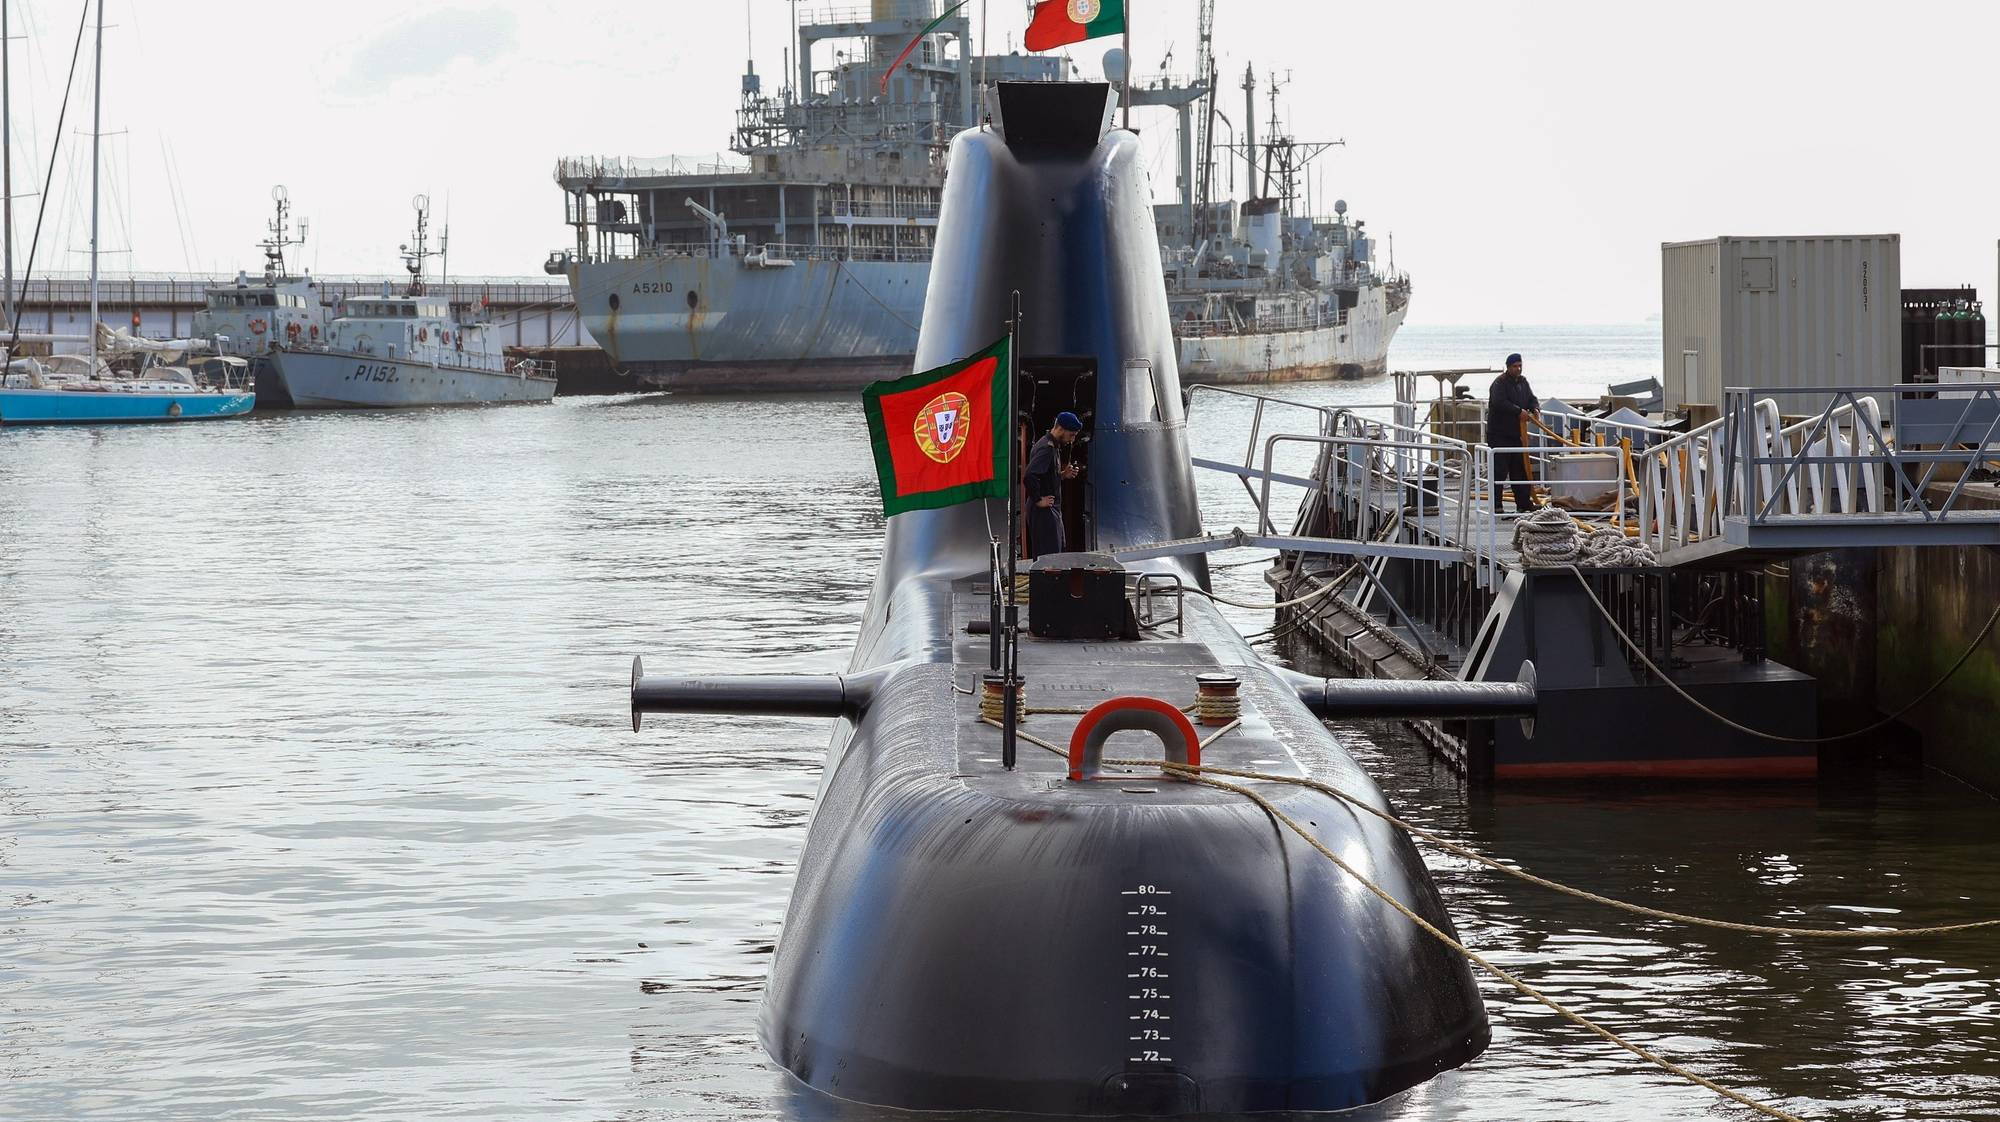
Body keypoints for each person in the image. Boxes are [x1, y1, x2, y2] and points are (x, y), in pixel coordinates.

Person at [1024, 412, 1082, 558]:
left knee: (1057, 550)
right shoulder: (1046, 449)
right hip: (1044, 512)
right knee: (1049, 556)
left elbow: (1044, 477)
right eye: (1071, 435)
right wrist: (1038, 500)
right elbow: (1029, 476)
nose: (1072, 440)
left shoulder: (1053, 446)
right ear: (1061, 429)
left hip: (1051, 510)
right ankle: (1047, 581)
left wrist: (1062, 475)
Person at [1486, 353, 1539, 514]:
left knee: (1520, 470)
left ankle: (1523, 503)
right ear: (1508, 367)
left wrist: (1535, 408)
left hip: (1517, 435)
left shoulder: (1523, 382)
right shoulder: (1499, 383)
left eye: (1520, 365)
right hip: (1500, 434)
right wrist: (1518, 411)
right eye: (1515, 366)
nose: (1518, 369)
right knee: (1499, 471)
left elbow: (1531, 398)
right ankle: (1496, 505)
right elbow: (1499, 402)